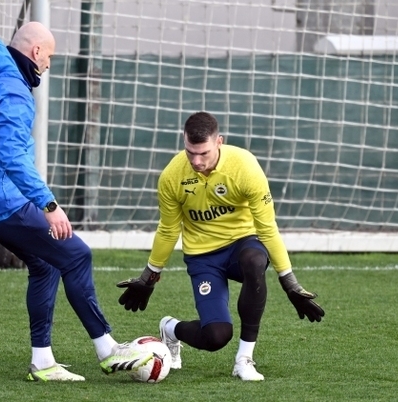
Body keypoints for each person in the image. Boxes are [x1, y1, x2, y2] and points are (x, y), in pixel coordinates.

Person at [0, 21, 152, 382]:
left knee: (46, 264)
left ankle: (43, 362)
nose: (49, 63)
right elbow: (13, 158)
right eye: (49, 56)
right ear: (36, 52)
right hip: (0, 203)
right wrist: (49, 206)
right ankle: (107, 349)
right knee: (77, 255)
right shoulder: (15, 92)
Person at [117, 111, 325, 381]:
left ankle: (244, 360)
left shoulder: (244, 167)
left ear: (219, 142)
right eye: (190, 152)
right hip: (202, 257)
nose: (196, 161)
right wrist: (149, 277)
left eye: (203, 153)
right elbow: (168, 230)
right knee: (216, 336)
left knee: (254, 261)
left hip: (243, 244)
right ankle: (170, 329)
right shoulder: (172, 176)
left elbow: (267, 228)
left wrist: (290, 283)